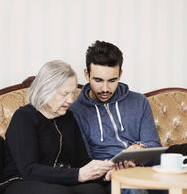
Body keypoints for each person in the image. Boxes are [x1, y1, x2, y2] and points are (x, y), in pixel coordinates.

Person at [0, 60, 115, 194]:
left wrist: (103, 174)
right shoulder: (24, 118)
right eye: (64, 94)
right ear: (45, 90)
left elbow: (82, 161)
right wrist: (78, 174)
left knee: (95, 190)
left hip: (60, 181)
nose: (71, 100)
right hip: (20, 181)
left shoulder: (69, 117)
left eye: (72, 93)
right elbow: (29, 170)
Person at [70, 40, 162, 193]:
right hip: (110, 179)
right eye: (98, 80)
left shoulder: (139, 101)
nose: (105, 89)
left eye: (112, 80)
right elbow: (83, 161)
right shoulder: (75, 112)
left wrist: (140, 148)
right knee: (132, 189)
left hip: (145, 172)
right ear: (87, 74)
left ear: (120, 74)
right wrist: (110, 169)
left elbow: (155, 145)